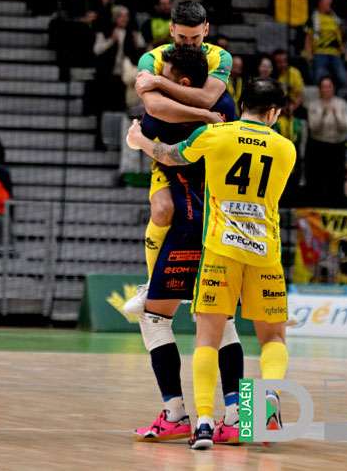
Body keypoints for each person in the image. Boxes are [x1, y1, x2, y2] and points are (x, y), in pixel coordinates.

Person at [125, 78, 296, 450]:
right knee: (274, 338)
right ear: (273, 113)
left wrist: (140, 142)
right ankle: (263, 404)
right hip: (265, 252)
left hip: (221, 251)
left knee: (208, 337)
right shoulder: (286, 149)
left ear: (242, 103)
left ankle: (202, 423)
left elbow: (171, 155)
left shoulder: (215, 136)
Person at [128, 46, 242, 445]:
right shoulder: (229, 109)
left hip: (189, 223)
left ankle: (175, 412)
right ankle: (238, 414)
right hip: (230, 229)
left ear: (184, 82)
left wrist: (140, 140)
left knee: (154, 317)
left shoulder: (173, 117)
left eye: (169, 75)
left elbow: (168, 147)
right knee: (222, 323)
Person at [127, 0, 232, 312]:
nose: (189, 45)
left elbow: (209, 96)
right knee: (161, 211)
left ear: (206, 31)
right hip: (170, 146)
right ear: (171, 29)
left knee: (222, 222)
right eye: (182, 38)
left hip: (212, 151)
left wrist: (160, 83)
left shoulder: (219, 56)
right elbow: (155, 108)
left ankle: (231, 290)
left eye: (195, 38)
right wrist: (204, 114)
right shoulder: (151, 58)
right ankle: (152, 285)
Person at [307, 76, 347, 207]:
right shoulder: (314, 105)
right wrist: (323, 114)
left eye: (329, 86)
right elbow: (313, 128)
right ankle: (318, 205)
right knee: (318, 178)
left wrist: (336, 115)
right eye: (323, 87)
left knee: (337, 178)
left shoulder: (342, 104)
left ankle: (337, 205)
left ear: (333, 88)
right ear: (320, 89)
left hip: (337, 146)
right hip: (319, 145)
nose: (326, 89)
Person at [92, 5, 145, 112]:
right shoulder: (106, 31)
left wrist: (137, 42)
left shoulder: (132, 32)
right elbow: (97, 50)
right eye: (121, 16)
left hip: (125, 74)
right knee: (107, 103)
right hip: (108, 72)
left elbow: (142, 47)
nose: (124, 19)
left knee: (122, 104)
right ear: (115, 18)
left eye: (126, 16)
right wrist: (111, 40)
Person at [306, 0, 347, 89]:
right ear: (320, 2)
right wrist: (309, 54)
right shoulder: (314, 17)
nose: (330, 1)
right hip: (320, 53)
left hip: (335, 54)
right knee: (318, 78)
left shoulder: (335, 18)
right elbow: (308, 38)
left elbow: (341, 37)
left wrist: (344, 50)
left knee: (343, 79)